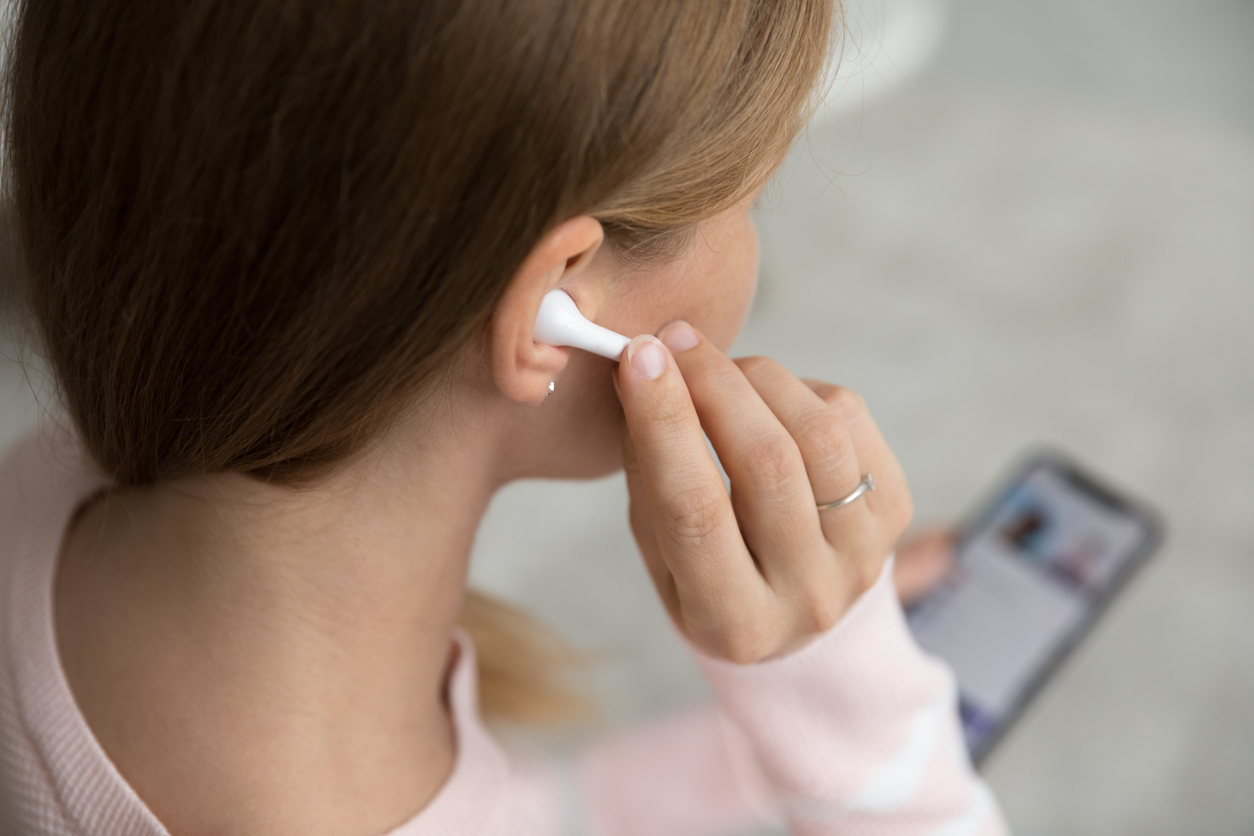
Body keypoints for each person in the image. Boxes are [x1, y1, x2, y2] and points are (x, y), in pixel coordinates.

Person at [0, 1, 1009, 834]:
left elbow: (529, 813)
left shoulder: (60, 488)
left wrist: (783, 723)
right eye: (751, 203)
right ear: (556, 302)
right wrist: (872, 738)